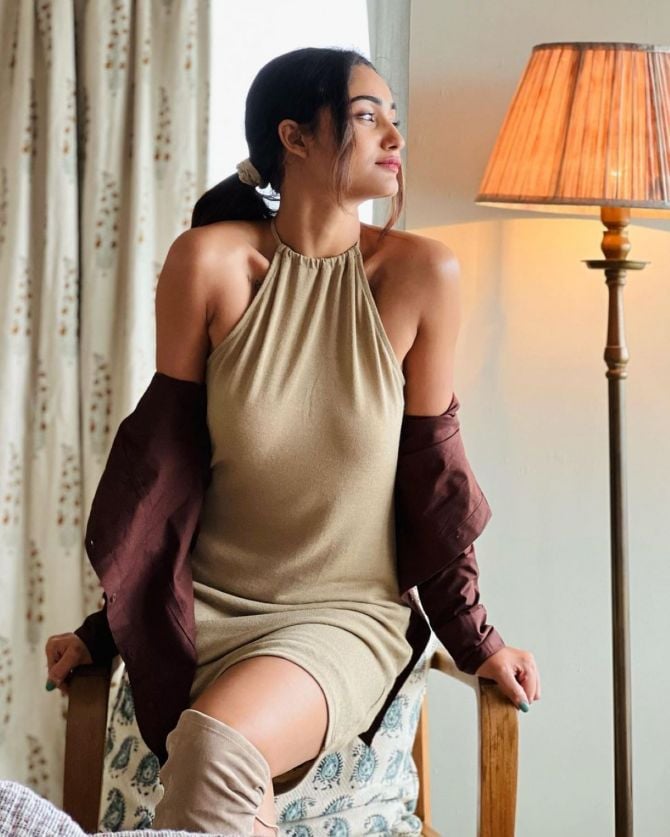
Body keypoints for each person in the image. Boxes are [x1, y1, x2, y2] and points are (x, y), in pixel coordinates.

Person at [45, 46, 540, 835]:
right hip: (205, 610)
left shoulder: (420, 275)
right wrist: (107, 627)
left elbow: (433, 476)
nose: (394, 138)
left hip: (340, 617)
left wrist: (477, 639)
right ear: (295, 136)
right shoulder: (210, 264)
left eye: (394, 119)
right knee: (215, 767)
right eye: (368, 117)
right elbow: (164, 470)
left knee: (217, 747)